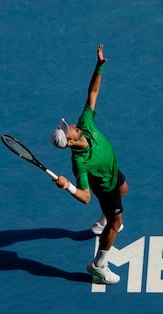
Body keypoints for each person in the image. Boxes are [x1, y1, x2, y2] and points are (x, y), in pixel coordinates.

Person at [51, 43, 129, 285]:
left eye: (68, 125)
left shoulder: (84, 122)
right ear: (69, 142)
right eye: (68, 130)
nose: (70, 126)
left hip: (113, 173)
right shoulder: (79, 163)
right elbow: (85, 197)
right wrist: (67, 186)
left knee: (125, 189)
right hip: (104, 187)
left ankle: (103, 220)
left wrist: (99, 66)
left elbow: (92, 93)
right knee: (117, 223)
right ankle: (98, 265)